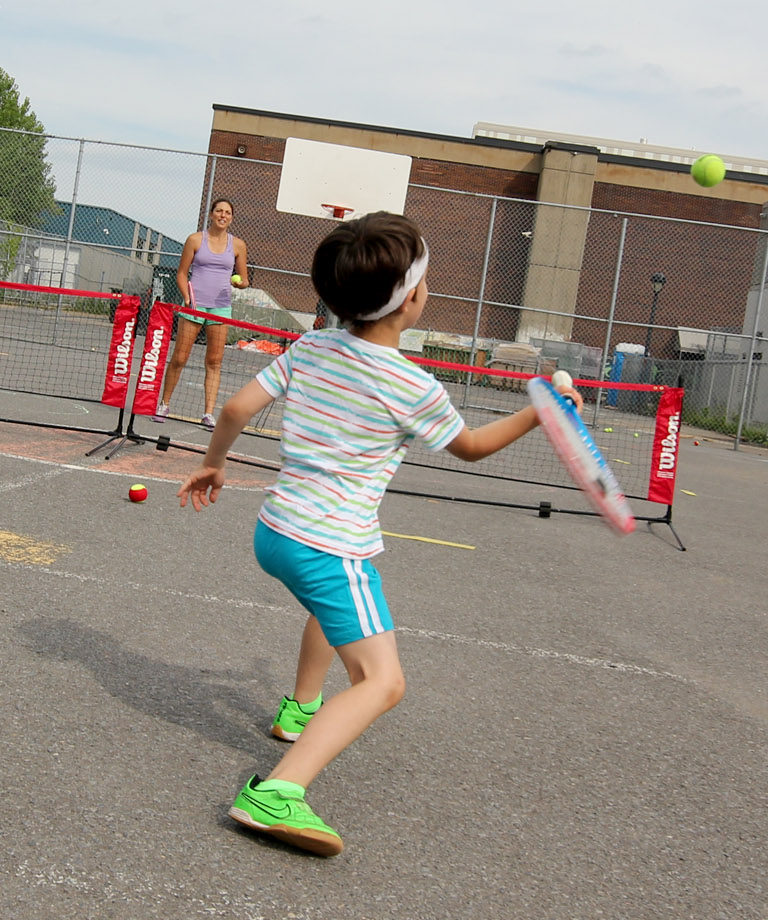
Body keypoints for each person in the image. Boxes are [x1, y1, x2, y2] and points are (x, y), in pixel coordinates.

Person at [177, 211, 582, 857]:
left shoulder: (309, 347)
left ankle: (301, 709)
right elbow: (471, 446)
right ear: (410, 298)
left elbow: (234, 407)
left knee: (330, 612)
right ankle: (277, 792)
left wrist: (214, 463)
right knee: (382, 682)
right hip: (329, 547)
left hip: (276, 532)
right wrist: (543, 411)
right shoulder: (412, 383)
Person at [153, 198, 248, 429]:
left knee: (214, 361)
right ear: (211, 214)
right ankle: (164, 404)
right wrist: (188, 298)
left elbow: (244, 280)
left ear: (231, 218)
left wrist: (239, 283)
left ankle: (208, 414)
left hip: (221, 308)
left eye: (227, 212)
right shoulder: (195, 240)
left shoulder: (238, 245)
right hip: (195, 306)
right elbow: (181, 274)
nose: (223, 215)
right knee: (180, 358)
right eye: (219, 211)